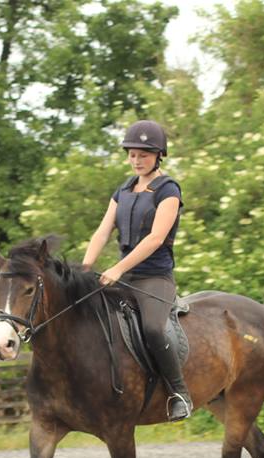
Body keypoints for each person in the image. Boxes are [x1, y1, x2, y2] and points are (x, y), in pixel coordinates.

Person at [82, 120, 192, 421]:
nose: (136, 160)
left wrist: (117, 267)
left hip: (154, 278)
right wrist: (85, 268)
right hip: (123, 277)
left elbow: (156, 238)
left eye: (143, 154)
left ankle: (179, 392)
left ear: (158, 155)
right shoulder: (123, 190)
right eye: (132, 154)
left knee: (154, 329)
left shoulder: (168, 189)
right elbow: (102, 232)